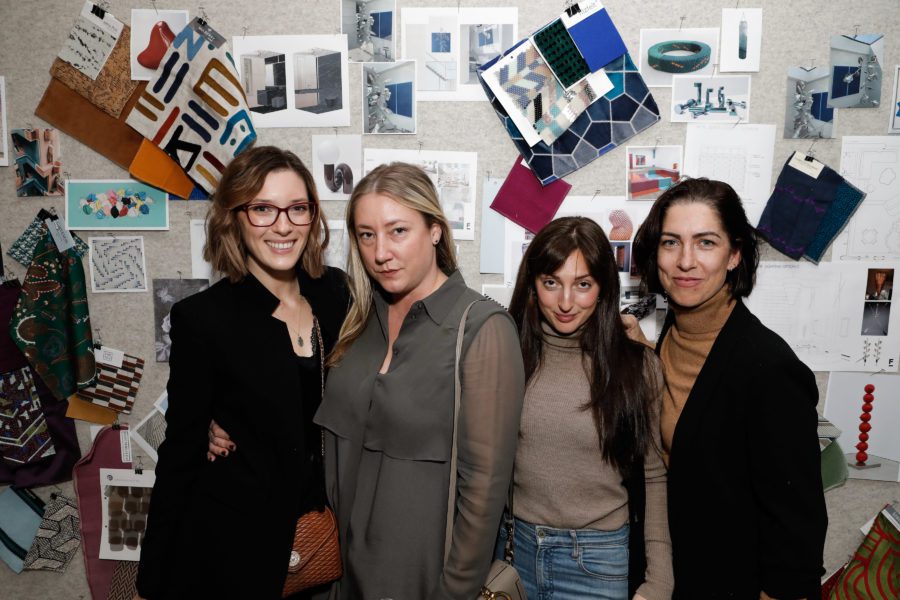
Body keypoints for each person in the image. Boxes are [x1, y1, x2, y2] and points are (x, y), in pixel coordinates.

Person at [136, 146, 350, 599]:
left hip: (321, 537)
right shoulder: (202, 319)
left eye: (297, 208)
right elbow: (180, 455)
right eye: (262, 209)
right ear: (234, 217)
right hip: (232, 549)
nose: (283, 224)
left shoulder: (337, 294)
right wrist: (152, 580)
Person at [313, 162, 525, 598]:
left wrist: (454, 592)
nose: (380, 252)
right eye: (366, 234)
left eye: (398, 231)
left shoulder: (482, 329)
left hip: (423, 579)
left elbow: (485, 489)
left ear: (434, 230)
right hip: (340, 576)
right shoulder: (357, 323)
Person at [630, 178, 827, 600]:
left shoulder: (770, 370)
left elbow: (796, 530)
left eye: (705, 243)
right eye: (671, 242)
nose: (685, 261)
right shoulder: (671, 337)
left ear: (734, 254)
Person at [499, 217, 673, 600]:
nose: (565, 302)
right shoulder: (507, 354)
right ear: (532, 284)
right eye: (551, 283)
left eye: (582, 285)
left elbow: (654, 475)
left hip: (597, 562)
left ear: (603, 288)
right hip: (514, 553)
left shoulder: (636, 366)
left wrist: (660, 581)